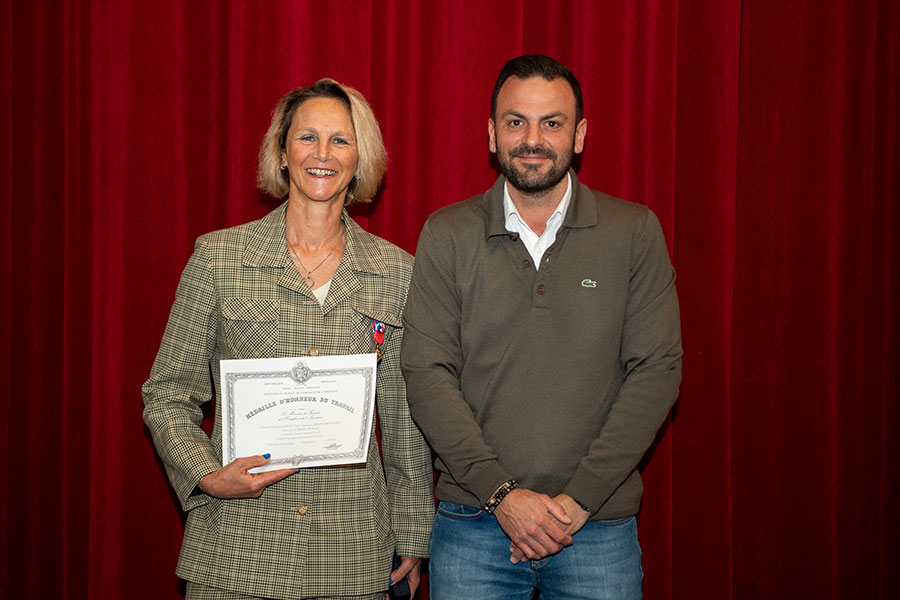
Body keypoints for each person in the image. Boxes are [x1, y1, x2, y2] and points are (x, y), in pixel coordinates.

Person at [401, 55, 682, 599]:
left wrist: (579, 500)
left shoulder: (634, 233)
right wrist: (503, 497)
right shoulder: (447, 233)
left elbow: (656, 372)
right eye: (515, 122)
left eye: (551, 123)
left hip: (596, 529)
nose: (533, 139)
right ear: (491, 134)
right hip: (473, 525)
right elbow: (426, 373)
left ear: (579, 135)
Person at [143, 79, 434, 600]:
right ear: (281, 152)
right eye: (307, 138)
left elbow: (404, 418)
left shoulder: (397, 272)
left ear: (360, 157)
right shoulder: (219, 259)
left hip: (350, 552)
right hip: (237, 549)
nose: (323, 154)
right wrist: (208, 476)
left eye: (341, 141)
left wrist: (412, 534)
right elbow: (166, 394)